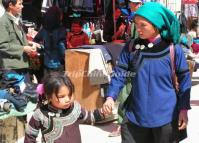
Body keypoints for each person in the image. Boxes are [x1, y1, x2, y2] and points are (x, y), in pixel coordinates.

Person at [102, 2, 192, 143]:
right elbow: (120, 73)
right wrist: (110, 96)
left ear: (156, 25)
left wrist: (183, 109)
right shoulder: (131, 47)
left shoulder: (172, 49)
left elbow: (185, 80)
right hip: (135, 116)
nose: (138, 29)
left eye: (143, 25)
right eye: (136, 24)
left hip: (166, 117)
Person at [24, 72, 105, 143]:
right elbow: (30, 135)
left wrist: (102, 112)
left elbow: (89, 117)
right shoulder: (40, 114)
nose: (68, 99)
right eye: (62, 96)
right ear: (49, 96)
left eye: (70, 95)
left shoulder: (75, 108)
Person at [0, 0, 39, 82]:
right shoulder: (3, 22)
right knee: (15, 94)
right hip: (12, 68)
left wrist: (30, 43)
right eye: (20, 4)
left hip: (22, 64)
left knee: (27, 92)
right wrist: (23, 49)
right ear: (11, 5)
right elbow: (2, 45)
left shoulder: (17, 20)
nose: (22, 6)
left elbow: (16, 40)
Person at [33, 6, 66, 78]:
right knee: (57, 86)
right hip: (58, 64)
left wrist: (42, 48)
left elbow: (35, 40)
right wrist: (65, 57)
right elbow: (61, 47)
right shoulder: (61, 30)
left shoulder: (44, 29)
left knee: (48, 85)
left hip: (46, 62)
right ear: (58, 16)